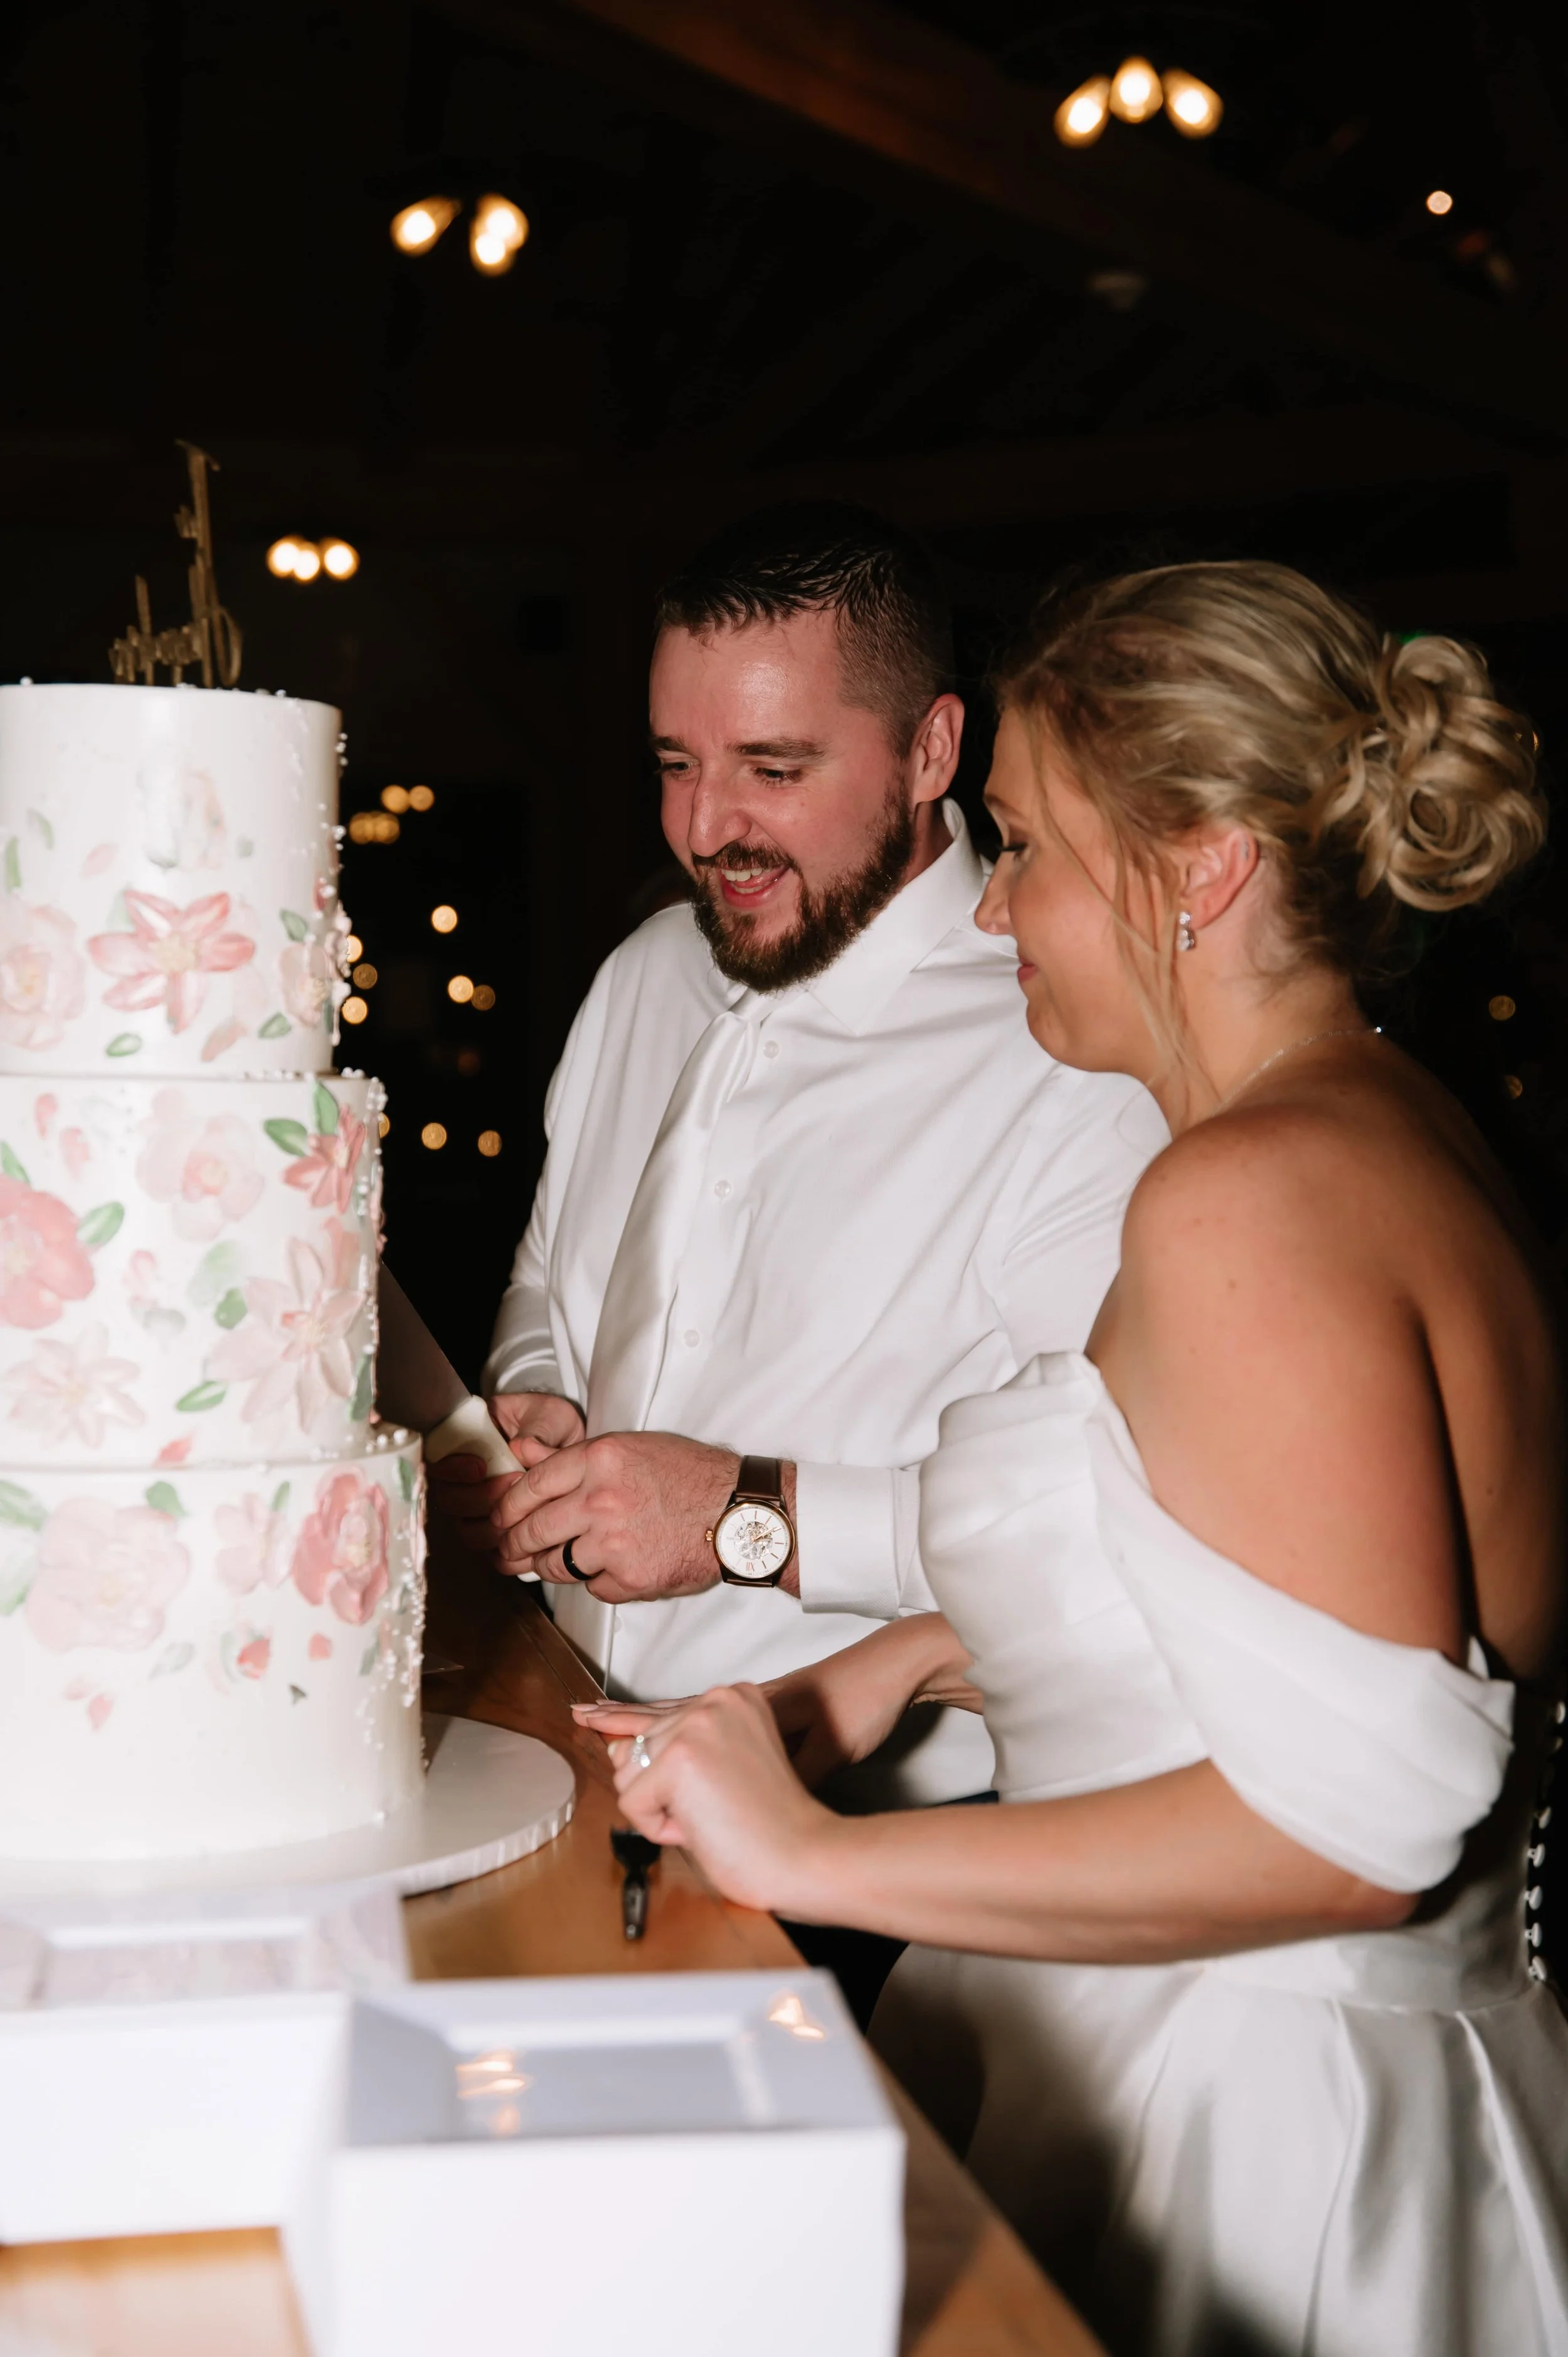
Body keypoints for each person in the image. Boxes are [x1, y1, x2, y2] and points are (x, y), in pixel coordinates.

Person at [577, 560, 1568, 2357]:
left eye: (1022, 849)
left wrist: (812, 1856)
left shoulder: (1240, 1201)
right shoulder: (1379, 1127)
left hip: (1252, 2129)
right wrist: (893, 1664)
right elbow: (1247, 1578)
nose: (985, 911)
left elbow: (1350, 1837)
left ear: (1197, 871)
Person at [436, 503, 1164, 1843]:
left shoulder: (1069, 1046)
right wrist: (538, 1390)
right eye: (673, 762)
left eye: (772, 769)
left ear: (930, 748)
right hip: (562, 1749)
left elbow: (1133, 1518)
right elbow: (551, 1271)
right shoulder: (644, 973)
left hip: (890, 1830)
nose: (706, 826)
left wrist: (739, 1518)